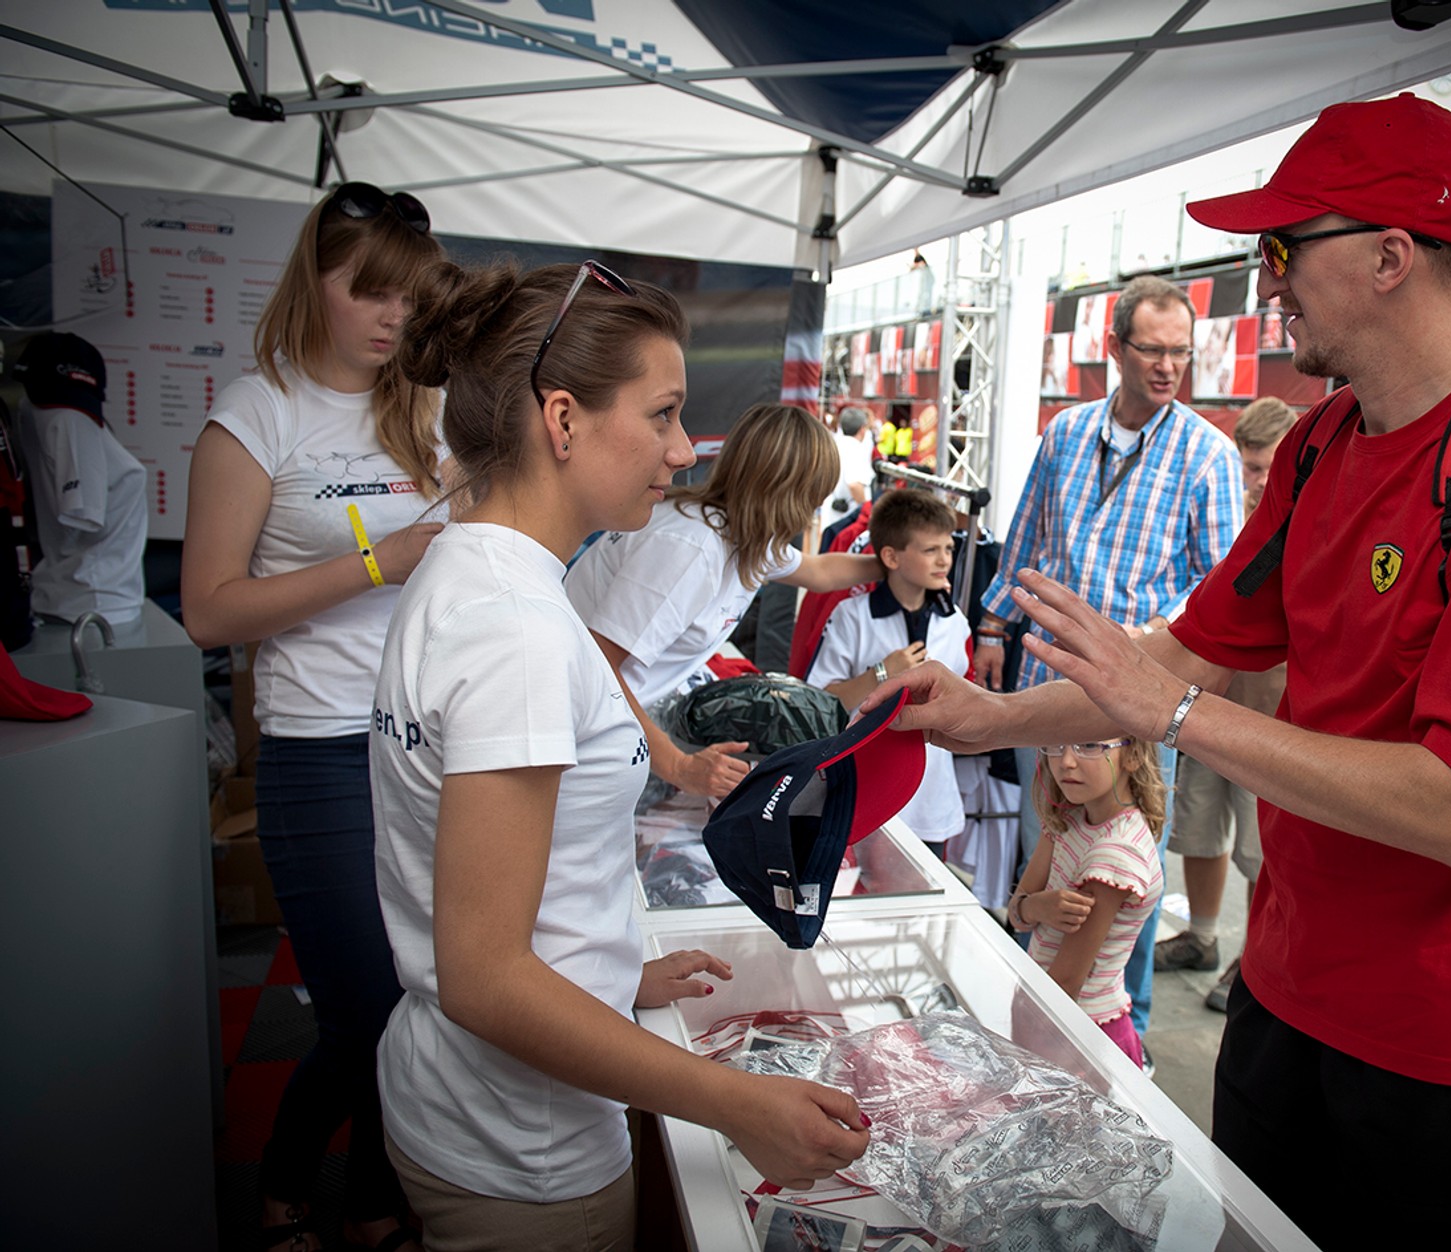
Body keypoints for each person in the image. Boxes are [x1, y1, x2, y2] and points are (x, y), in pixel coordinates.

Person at [868, 94, 1451, 1250]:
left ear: (1388, 258)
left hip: (1446, 1046)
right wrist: (981, 720)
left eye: (1282, 246)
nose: (1262, 277)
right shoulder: (1323, 444)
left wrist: (1174, 716)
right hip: (1286, 994)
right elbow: (1183, 652)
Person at [372, 258, 870, 1249]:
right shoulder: (514, 628)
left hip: (476, 1106)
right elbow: (484, 974)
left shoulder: (476, 577)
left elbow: (495, 891)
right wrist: (730, 1099)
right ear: (560, 421)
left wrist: (613, 974)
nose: (685, 450)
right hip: (519, 1145)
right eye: (663, 414)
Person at [179, 181, 446, 1252]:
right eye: (369, 292)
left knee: (427, 994)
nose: (392, 318)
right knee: (367, 1006)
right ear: (314, 283)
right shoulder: (258, 410)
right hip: (315, 751)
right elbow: (207, 609)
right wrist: (377, 560)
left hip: (425, 746)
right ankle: (289, 1183)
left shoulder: (425, 410)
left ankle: (377, 1199)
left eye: (410, 299)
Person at [973, 273, 1240, 1056]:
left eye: (1181, 354)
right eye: (1152, 350)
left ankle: (1128, 1038)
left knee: (1125, 881)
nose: (1167, 367)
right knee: (1049, 856)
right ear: (1113, 348)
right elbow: (1025, 540)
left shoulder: (1209, 454)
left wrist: (1144, 637)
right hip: (1046, 690)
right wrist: (992, 623)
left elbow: (1220, 593)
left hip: (1133, 707)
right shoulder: (1064, 433)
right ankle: (1034, 1029)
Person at [562, 402, 881, 800]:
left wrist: (889, 564)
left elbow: (818, 572)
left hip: (607, 728)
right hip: (578, 745)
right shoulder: (691, 549)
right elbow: (598, 668)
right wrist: (680, 767)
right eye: (811, 496)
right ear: (785, 491)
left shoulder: (742, 534)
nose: (813, 512)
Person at [1153, 397, 1295, 1015]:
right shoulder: (1226, 513)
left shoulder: (1305, 518)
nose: (1256, 479)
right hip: (1208, 701)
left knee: (1265, 851)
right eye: (1250, 465)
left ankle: (1256, 956)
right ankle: (1203, 936)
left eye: (1266, 466)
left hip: (1273, 714)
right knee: (1199, 832)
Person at [807, 487, 969, 858]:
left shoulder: (955, 621)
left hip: (932, 797)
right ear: (891, 557)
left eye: (948, 548)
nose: (943, 560)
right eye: (930, 550)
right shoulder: (852, 615)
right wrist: (882, 673)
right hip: (865, 790)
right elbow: (820, 700)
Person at [1009, 737, 1166, 1069]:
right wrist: (1037, 907)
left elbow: (1067, 981)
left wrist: (1030, 908)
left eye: (1090, 745)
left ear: (1134, 755)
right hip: (1048, 1015)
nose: (1066, 761)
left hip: (1080, 1035)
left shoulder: (1115, 854)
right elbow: (1017, 914)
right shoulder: (1069, 817)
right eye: (1057, 744)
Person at [10, 331, 147, 627]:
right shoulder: (71, 421)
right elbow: (85, 516)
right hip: (97, 601)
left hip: (78, 593)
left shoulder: (33, 412)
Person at [826, 404, 875, 519]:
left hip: (833, 510)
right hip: (849, 515)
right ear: (862, 429)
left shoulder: (835, 445)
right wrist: (867, 513)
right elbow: (854, 484)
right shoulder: (855, 449)